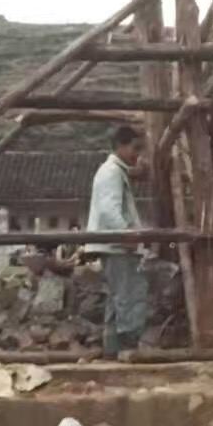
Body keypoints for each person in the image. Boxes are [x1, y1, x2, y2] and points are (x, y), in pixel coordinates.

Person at [87, 126, 151, 358]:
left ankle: (112, 350)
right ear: (121, 146)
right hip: (117, 245)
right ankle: (128, 347)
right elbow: (108, 211)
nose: (137, 154)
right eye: (135, 148)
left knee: (117, 298)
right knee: (130, 294)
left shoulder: (114, 171)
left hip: (112, 245)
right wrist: (127, 233)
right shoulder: (112, 172)